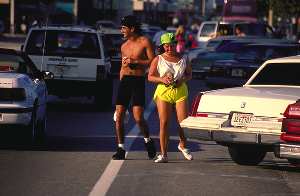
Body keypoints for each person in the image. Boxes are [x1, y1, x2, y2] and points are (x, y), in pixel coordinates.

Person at [112, 15, 156, 160]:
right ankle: (120, 149)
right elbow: (122, 67)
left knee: (138, 117)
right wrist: (121, 78)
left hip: (138, 80)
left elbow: (152, 61)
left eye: (123, 28)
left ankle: (148, 141)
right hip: (125, 80)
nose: (121, 31)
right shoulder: (123, 46)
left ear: (132, 28)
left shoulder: (145, 42)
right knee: (118, 116)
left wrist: (136, 61)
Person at [148, 32, 193, 163]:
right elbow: (150, 76)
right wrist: (162, 79)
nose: (169, 49)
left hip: (180, 91)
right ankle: (163, 154)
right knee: (164, 123)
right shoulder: (158, 59)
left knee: (183, 123)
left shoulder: (184, 58)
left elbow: (189, 74)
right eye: (166, 46)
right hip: (164, 92)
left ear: (175, 45)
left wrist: (182, 80)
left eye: (172, 45)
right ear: (162, 46)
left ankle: (182, 145)